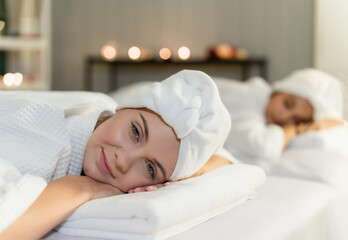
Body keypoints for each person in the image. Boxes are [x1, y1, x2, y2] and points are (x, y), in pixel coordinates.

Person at [0, 70, 232, 240]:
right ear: (122, 108)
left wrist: (181, 176)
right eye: (135, 132)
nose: (124, 161)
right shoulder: (47, 142)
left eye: (150, 167)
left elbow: (225, 159)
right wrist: (80, 187)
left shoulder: (108, 114)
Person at [218, 68, 344, 163]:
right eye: (287, 104)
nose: (284, 117)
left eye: (297, 120)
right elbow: (264, 147)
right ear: (279, 90)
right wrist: (294, 129)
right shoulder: (247, 97)